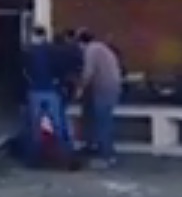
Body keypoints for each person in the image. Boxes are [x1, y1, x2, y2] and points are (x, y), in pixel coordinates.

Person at [23, 26, 75, 167]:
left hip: (35, 90)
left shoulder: (29, 51)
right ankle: (65, 156)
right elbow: (61, 68)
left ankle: (34, 158)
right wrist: (58, 81)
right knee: (57, 123)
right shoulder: (53, 51)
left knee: (35, 124)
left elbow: (25, 71)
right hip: (52, 90)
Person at [77, 28, 122, 169]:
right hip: (112, 88)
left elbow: (88, 72)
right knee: (103, 121)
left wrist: (80, 88)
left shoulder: (91, 50)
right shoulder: (102, 48)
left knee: (102, 123)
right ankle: (103, 152)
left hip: (104, 89)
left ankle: (106, 157)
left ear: (81, 42)